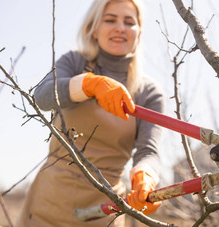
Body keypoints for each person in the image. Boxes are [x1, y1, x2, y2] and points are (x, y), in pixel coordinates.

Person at [15, 0, 164, 226]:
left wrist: (146, 178)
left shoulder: (148, 92)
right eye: (110, 20)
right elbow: (43, 96)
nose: (120, 28)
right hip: (47, 201)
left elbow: (148, 150)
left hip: (104, 209)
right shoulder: (74, 62)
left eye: (129, 22)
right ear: (93, 29)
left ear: (139, 32)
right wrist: (89, 85)